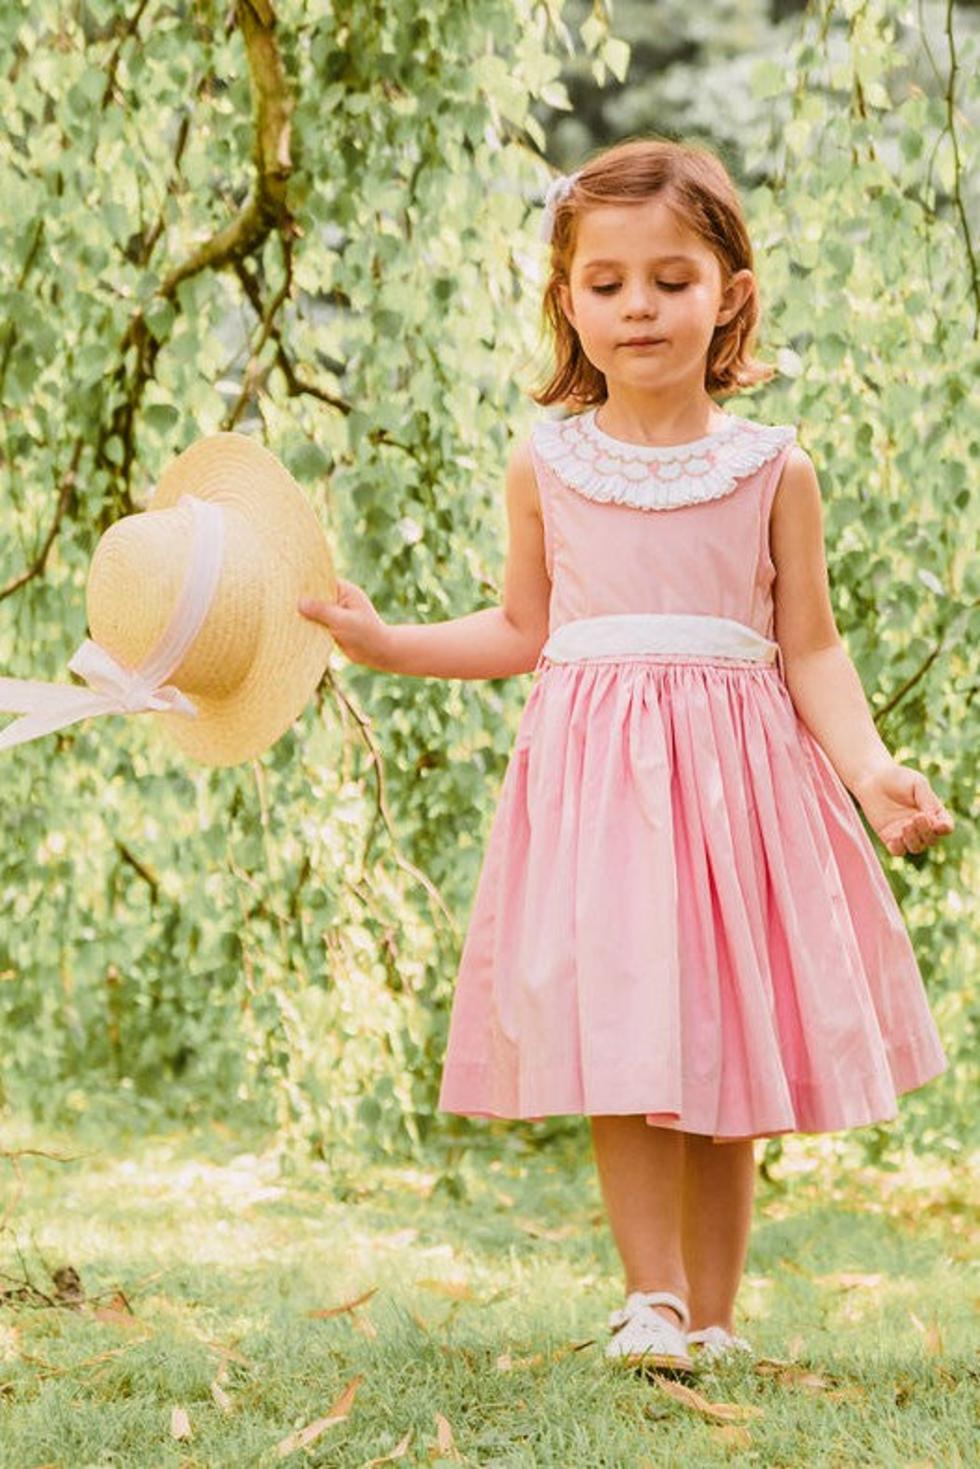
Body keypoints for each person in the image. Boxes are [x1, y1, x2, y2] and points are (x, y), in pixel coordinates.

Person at [297, 137, 955, 1375]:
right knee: (630, 1036)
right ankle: (647, 1297)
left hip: (739, 793)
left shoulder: (772, 466)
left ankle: (710, 1309)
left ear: (729, 294)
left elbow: (807, 647)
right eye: (604, 284)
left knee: (724, 1044)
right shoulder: (548, 462)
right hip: (600, 798)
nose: (637, 305)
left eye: (669, 278)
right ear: (566, 302)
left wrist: (868, 773)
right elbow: (520, 628)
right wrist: (382, 641)